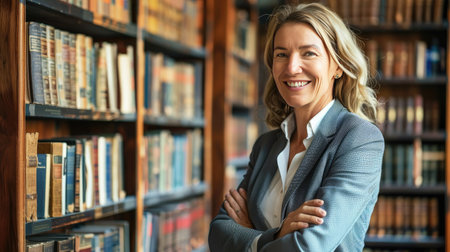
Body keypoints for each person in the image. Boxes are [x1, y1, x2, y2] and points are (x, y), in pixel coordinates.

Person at [208, 2, 384, 251]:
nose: (291, 67)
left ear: (337, 66)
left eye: (308, 53)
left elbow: (310, 246)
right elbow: (218, 233)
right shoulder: (266, 145)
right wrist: (276, 235)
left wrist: (251, 236)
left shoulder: (360, 139)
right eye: (281, 54)